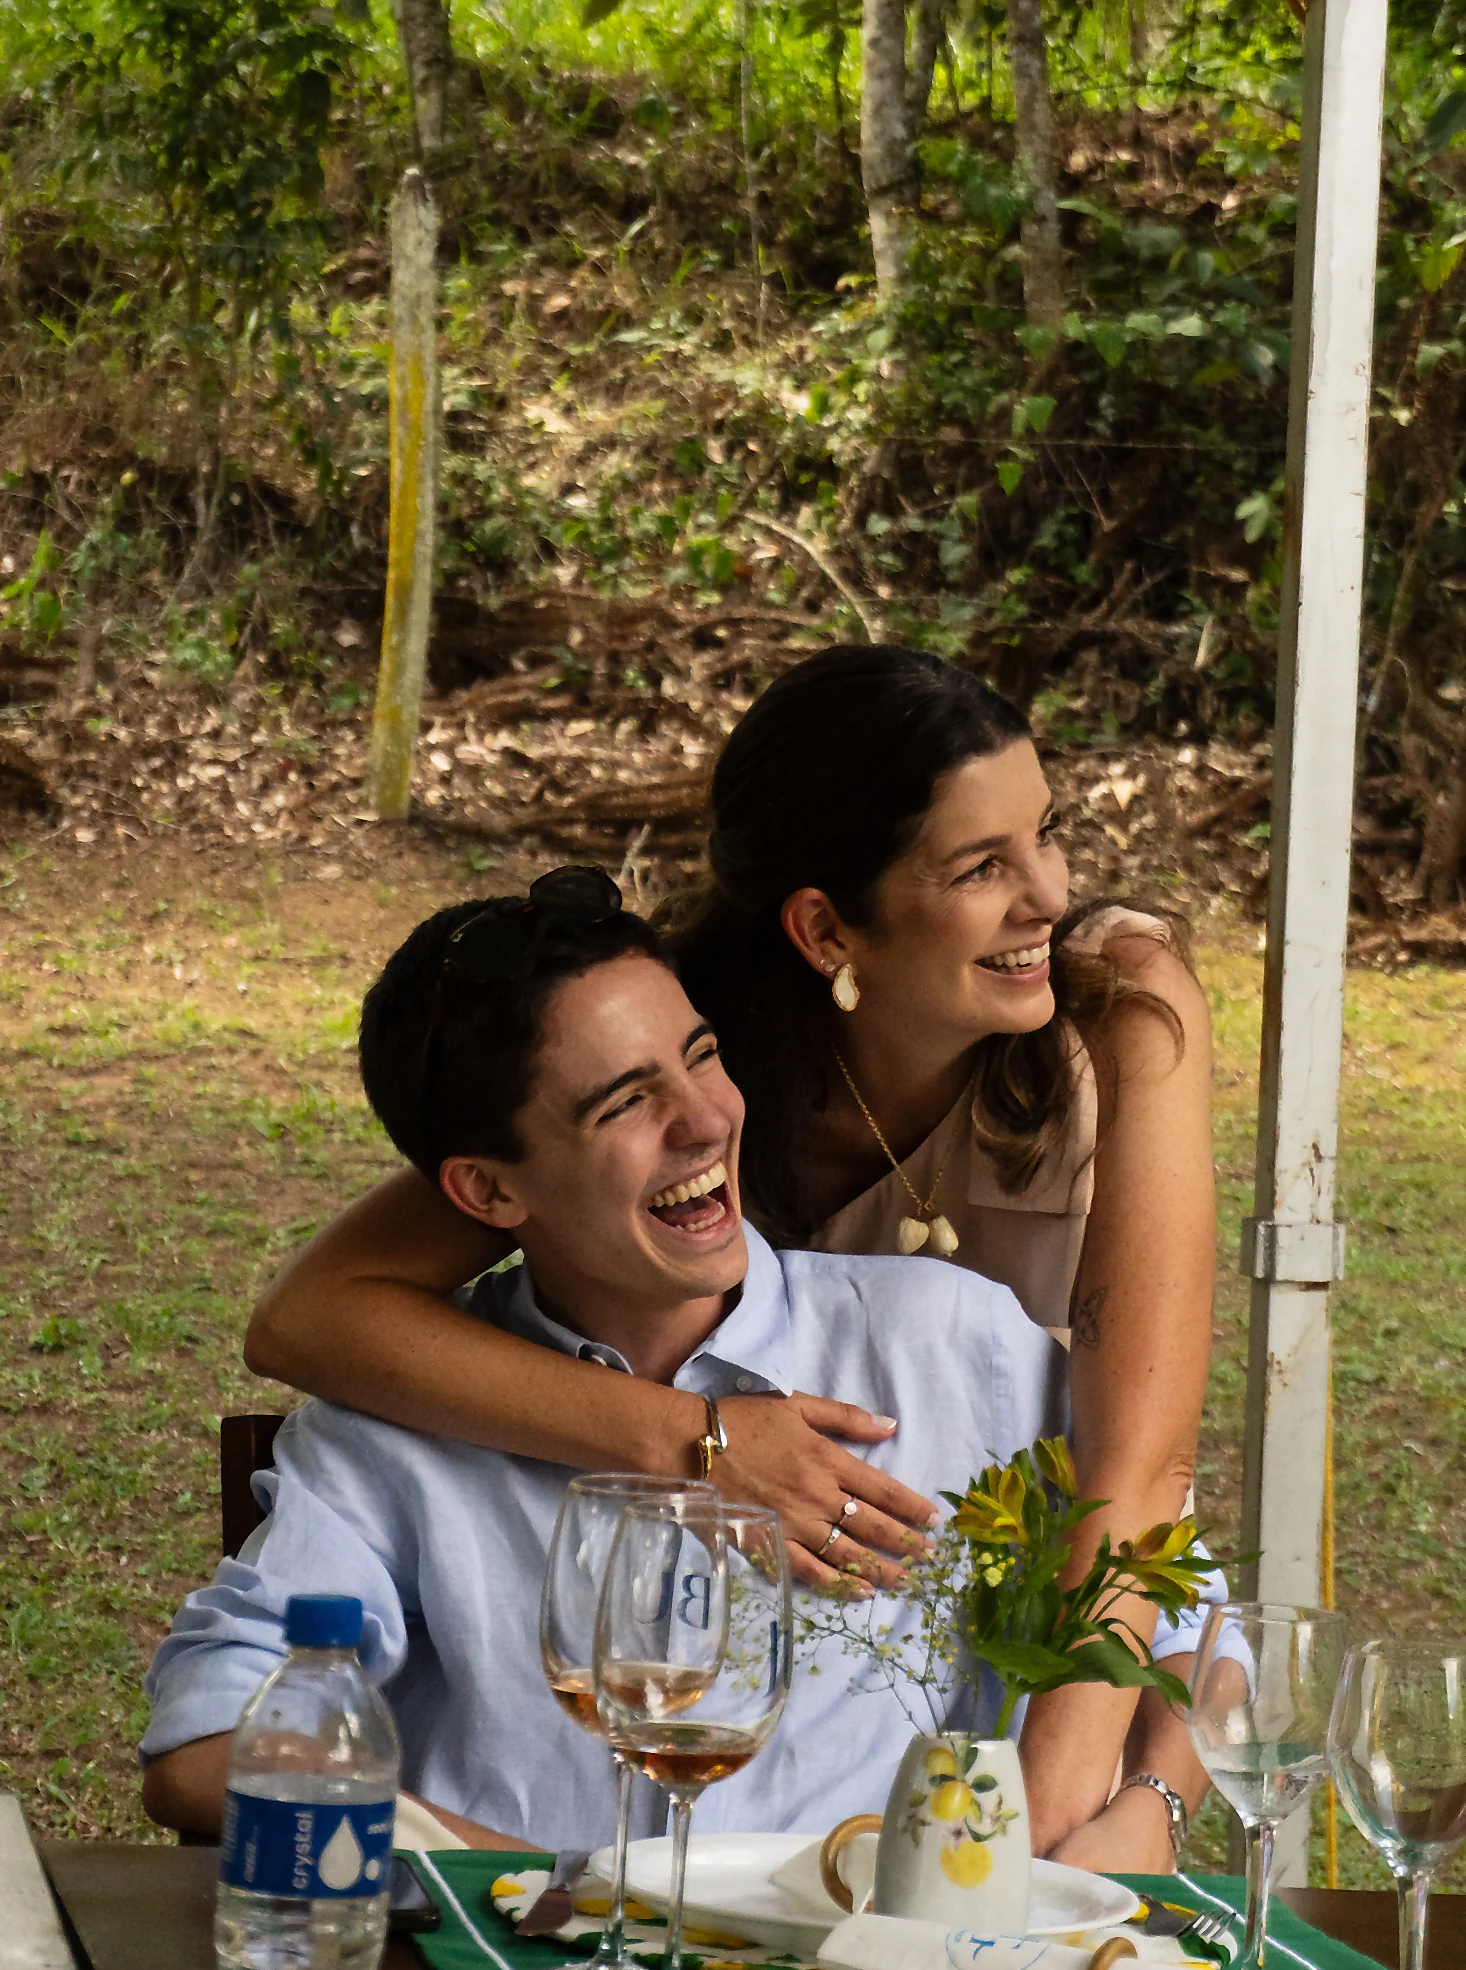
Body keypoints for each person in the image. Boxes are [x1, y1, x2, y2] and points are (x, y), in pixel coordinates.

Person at [245, 648, 1215, 1867]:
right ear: (820, 928)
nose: (1049, 897)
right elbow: (311, 1318)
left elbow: (1140, 1465)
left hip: (1008, 1605)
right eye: (979, 867)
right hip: (758, 1635)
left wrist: (1066, 1813)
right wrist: (693, 1441)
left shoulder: (1113, 1000)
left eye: (1048, 832)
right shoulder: (689, 1061)